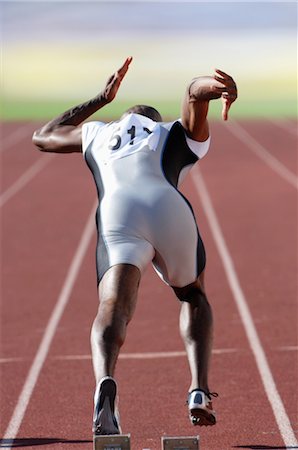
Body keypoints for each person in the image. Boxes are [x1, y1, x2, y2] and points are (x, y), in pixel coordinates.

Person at [32, 56, 237, 435]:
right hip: (166, 205)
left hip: (117, 214)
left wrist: (101, 98)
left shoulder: (98, 133)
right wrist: (217, 86)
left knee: (113, 306)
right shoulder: (171, 132)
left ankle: (105, 381)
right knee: (193, 295)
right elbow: (194, 94)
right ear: (154, 121)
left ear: (122, 120)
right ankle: (198, 389)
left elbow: (43, 136)